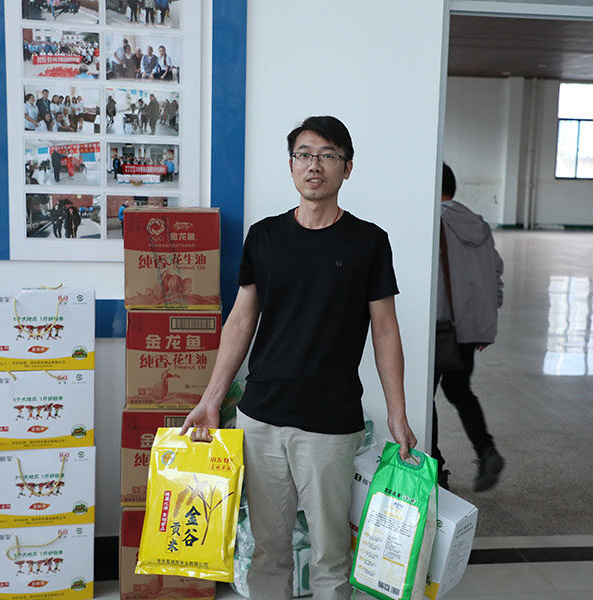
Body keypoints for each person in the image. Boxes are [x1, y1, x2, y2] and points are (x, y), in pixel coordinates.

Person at [179, 116, 416, 600]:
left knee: (331, 554)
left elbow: (385, 330)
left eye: (328, 155)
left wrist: (398, 413)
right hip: (261, 416)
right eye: (304, 155)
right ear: (291, 165)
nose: (315, 165)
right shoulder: (264, 236)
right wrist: (211, 399)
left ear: (347, 167)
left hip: (329, 422)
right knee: (267, 551)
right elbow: (241, 321)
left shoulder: (368, 242)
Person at [433, 163, 505, 493]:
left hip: (439, 327)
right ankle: (487, 451)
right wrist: (482, 322)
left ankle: (436, 469)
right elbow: (495, 272)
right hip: (468, 329)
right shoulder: (478, 222)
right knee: (460, 390)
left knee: (424, 397)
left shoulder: (434, 220)